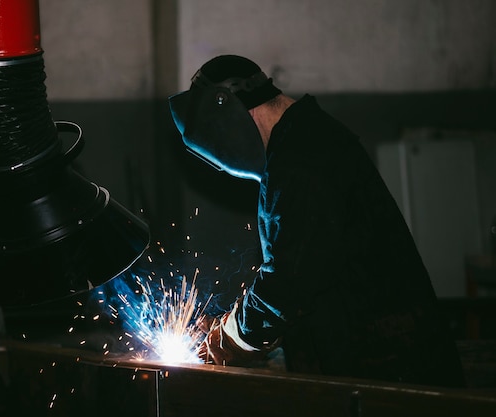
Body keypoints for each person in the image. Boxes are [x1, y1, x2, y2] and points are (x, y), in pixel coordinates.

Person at [168, 54, 466, 387]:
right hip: (374, 361)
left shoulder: (300, 162)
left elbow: (286, 283)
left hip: (391, 375)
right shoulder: (304, 141)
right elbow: (305, 272)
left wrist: (231, 339)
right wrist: (234, 324)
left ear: (231, 115)